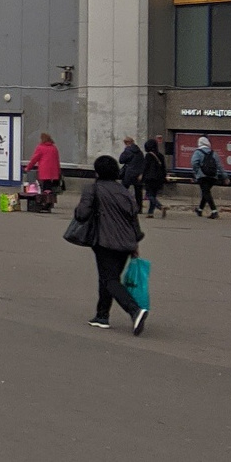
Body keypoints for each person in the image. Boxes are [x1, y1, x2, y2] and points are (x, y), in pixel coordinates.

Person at [72, 155, 148, 334]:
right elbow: (133, 218)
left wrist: (79, 209)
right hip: (126, 242)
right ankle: (102, 315)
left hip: (105, 241)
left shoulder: (93, 188)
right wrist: (135, 242)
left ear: (97, 171)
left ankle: (134, 310)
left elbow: (82, 214)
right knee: (108, 277)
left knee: (109, 279)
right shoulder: (124, 191)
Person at [191, 135, 223, 218]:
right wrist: (225, 176)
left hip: (202, 176)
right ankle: (200, 210)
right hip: (213, 176)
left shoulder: (197, 152)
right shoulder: (214, 153)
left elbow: (194, 163)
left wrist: (196, 172)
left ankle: (214, 211)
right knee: (206, 192)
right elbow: (219, 166)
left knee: (206, 192)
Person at [24, 131, 62, 197]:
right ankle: (50, 200)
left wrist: (28, 167)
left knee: (44, 187)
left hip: (45, 170)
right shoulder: (54, 148)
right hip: (54, 171)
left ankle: (44, 201)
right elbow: (57, 160)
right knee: (50, 187)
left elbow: (34, 159)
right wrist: (58, 171)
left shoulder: (40, 147)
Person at [140, 137, 167, 218]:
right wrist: (164, 177)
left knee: (149, 194)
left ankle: (160, 206)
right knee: (153, 195)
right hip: (159, 178)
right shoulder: (161, 156)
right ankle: (150, 213)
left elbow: (145, 167)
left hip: (150, 177)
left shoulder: (148, 156)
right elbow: (164, 168)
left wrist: (142, 176)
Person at [118, 136, 145, 211]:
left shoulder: (127, 150)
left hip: (129, 173)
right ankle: (139, 208)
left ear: (127, 143)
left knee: (123, 189)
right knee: (138, 192)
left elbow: (121, 160)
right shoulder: (139, 152)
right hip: (138, 174)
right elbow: (143, 163)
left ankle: (122, 205)